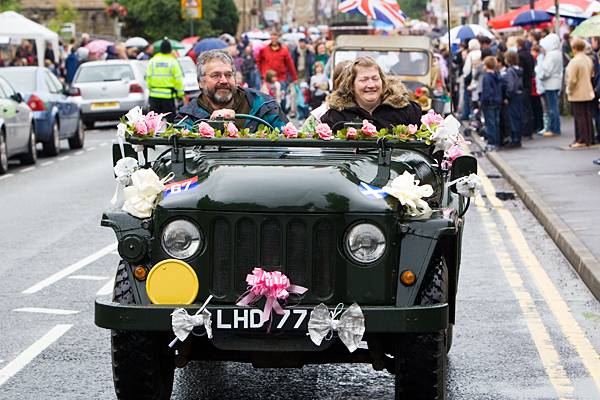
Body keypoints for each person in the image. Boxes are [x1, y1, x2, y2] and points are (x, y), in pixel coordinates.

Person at [175, 50, 288, 131]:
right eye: (216, 75)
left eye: (228, 75)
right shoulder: (187, 116)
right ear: (201, 82)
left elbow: (289, 140)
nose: (224, 80)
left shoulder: (264, 106)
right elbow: (182, 151)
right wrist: (211, 125)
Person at [320, 56, 422, 131]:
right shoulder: (335, 117)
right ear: (351, 85)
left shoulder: (407, 110)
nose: (371, 85)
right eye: (363, 80)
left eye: (375, 79)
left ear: (383, 81)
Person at [145, 39, 185, 123]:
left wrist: (151, 89)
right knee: (170, 121)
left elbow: (148, 77)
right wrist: (180, 94)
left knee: (153, 122)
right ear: (170, 49)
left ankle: (153, 136)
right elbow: (178, 79)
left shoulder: (153, 61)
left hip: (154, 96)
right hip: (168, 97)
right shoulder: (173, 61)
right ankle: (169, 136)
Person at [565, 38, 595, 148]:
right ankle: (589, 138)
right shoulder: (588, 59)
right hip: (588, 90)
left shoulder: (574, 61)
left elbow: (572, 79)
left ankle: (581, 139)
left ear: (574, 48)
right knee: (587, 115)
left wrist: (569, 90)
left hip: (577, 92)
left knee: (579, 116)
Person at [537, 33, 563, 137]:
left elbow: (546, 71)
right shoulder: (558, 53)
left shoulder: (551, 55)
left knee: (552, 108)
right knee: (554, 107)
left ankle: (554, 128)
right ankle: (555, 127)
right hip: (556, 82)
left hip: (550, 83)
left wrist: (540, 74)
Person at [480, 56, 502, 151]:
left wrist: (483, 102)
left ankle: (491, 143)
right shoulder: (497, 75)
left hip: (489, 103)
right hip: (497, 101)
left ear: (486, 65)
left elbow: (487, 92)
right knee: (496, 123)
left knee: (490, 123)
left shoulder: (486, 77)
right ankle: (497, 142)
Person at [504, 51, 524, 148]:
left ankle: (514, 139)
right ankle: (518, 139)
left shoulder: (510, 71)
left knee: (513, 118)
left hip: (513, 97)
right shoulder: (519, 70)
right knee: (518, 117)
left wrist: (507, 96)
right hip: (520, 95)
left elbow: (510, 86)